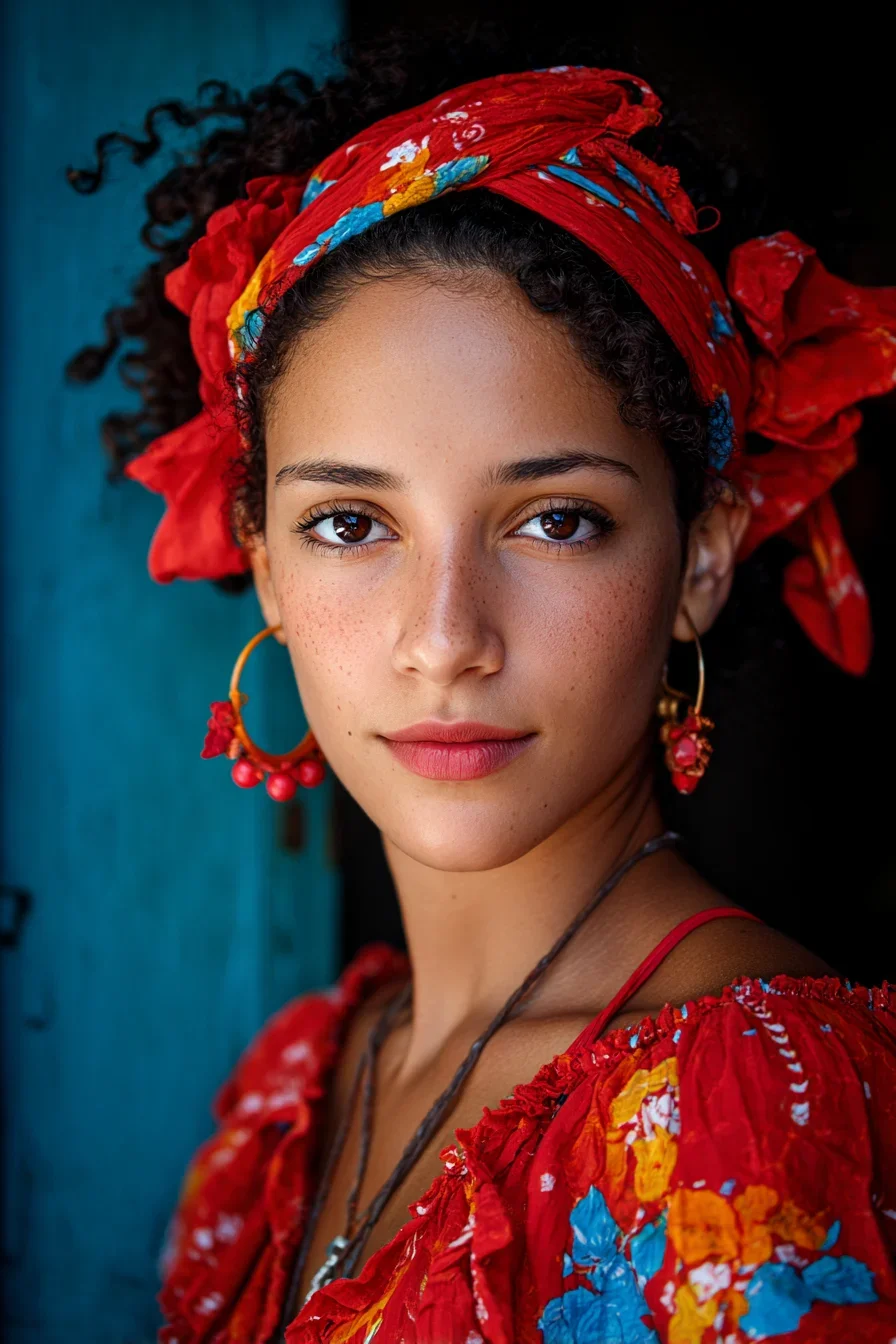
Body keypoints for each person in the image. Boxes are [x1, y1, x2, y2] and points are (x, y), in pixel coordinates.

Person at [72, 28, 896, 1344]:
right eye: (350, 523)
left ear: (703, 555)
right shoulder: (289, 1096)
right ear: (262, 561)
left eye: (554, 519)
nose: (445, 638)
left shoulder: (743, 1108)